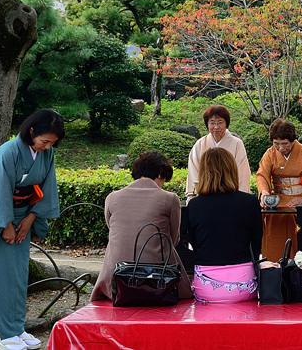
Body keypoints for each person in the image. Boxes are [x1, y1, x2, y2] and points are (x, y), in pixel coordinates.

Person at [0, 109, 65, 350]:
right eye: (45, 141)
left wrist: (31, 218)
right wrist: (6, 226)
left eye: (52, 143)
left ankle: (17, 328)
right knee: (0, 273)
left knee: (17, 274)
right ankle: (5, 334)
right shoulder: (6, 153)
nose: (47, 147)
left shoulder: (47, 154)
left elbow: (48, 186)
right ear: (31, 131)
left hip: (24, 214)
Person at [91, 151, 193, 302]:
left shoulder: (112, 198)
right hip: (159, 279)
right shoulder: (169, 199)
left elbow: (112, 230)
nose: (163, 184)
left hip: (116, 278)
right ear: (160, 173)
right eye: (164, 179)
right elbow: (173, 239)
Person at [185, 147, 262, 303]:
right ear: (232, 170)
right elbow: (256, 245)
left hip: (206, 285)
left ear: (203, 172)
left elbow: (194, 242)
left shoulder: (194, 205)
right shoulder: (250, 202)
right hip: (244, 284)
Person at [256, 118, 302, 261]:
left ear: (293, 140)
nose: (281, 148)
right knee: (274, 241)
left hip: (300, 203)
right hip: (278, 203)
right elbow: (262, 175)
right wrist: (264, 192)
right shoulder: (270, 153)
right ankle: (274, 272)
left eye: (285, 144)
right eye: (276, 144)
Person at [186, 105, 251, 198]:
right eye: (212, 123)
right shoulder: (200, 144)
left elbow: (242, 171)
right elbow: (194, 170)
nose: (216, 127)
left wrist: (240, 197)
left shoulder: (236, 144)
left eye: (220, 122)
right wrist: (194, 195)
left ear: (226, 123)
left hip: (230, 195)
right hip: (206, 195)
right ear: (207, 124)